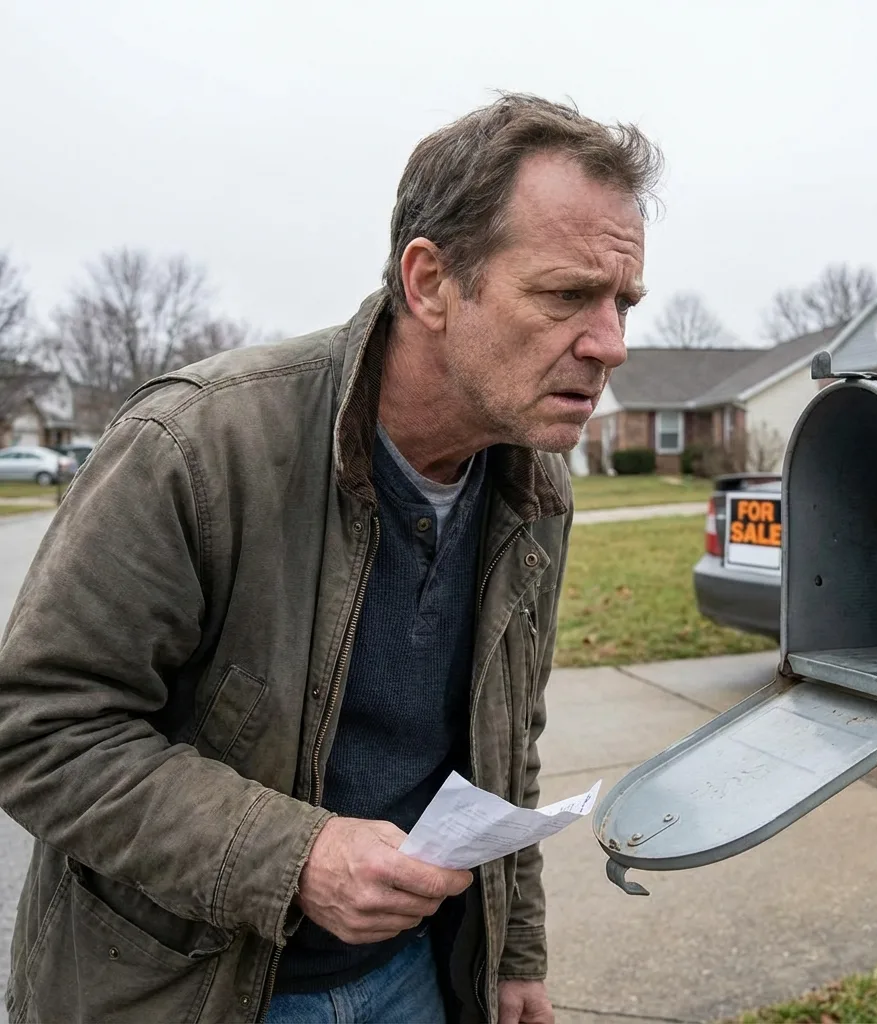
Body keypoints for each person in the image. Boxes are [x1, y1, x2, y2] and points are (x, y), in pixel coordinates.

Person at [0, 92, 661, 1024]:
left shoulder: (534, 486)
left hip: (417, 979)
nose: (611, 345)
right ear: (429, 282)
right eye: (564, 296)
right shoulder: (195, 445)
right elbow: (42, 727)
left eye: (622, 301)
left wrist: (514, 955)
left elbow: (509, 749)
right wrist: (296, 857)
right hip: (189, 990)